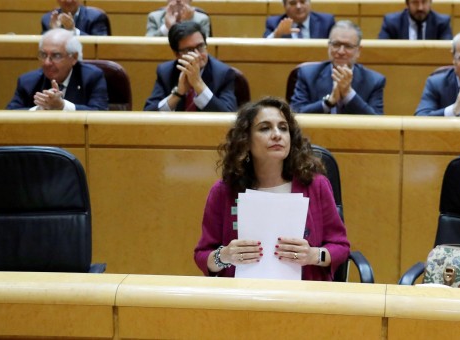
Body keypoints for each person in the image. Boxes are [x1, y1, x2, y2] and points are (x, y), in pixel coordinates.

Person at [194, 97, 350, 280]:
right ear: (246, 140)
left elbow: (341, 246)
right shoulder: (224, 191)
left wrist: (314, 255)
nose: (277, 134)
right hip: (242, 297)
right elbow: (202, 254)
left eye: (283, 128)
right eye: (265, 128)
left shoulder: (316, 185)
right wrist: (224, 256)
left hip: (304, 296)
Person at [290, 21, 385, 115]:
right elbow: (295, 114)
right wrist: (329, 102)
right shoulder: (307, 74)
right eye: (336, 44)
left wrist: (348, 94)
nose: (341, 51)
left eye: (348, 46)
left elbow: (377, 122)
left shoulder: (374, 81)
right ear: (329, 46)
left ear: (358, 51)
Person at [6, 28, 108, 111]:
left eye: (56, 56)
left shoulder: (92, 77)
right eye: (43, 55)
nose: (47, 62)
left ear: (74, 57)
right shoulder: (28, 81)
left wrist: (63, 106)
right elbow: (9, 114)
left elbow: (100, 112)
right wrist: (40, 109)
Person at [144, 21, 236, 112]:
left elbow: (228, 116)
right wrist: (178, 94)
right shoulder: (166, 72)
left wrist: (199, 85)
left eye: (200, 46)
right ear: (177, 54)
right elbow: (148, 114)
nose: (197, 55)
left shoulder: (223, 73)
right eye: (189, 50)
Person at [378, 0, 452, 40]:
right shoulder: (391, 23)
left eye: (424, 2)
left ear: (430, 3)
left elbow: (446, 54)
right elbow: (382, 51)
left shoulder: (442, 23)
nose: (420, 8)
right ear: (407, 4)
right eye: (415, 2)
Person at [263, 0, 334, 39]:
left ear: (309, 3)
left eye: (302, 2)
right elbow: (263, 48)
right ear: (284, 6)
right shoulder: (274, 23)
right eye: (293, 3)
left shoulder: (326, 21)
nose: (298, 6)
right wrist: (276, 35)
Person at [41, 0, 108, 36]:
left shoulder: (96, 17)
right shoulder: (47, 19)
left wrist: (73, 31)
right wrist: (53, 32)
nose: (68, 1)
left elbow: (101, 47)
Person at [146, 0, 210, 37]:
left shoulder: (202, 19)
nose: (178, 1)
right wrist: (167, 27)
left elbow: (203, 45)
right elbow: (148, 44)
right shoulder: (154, 17)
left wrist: (186, 24)